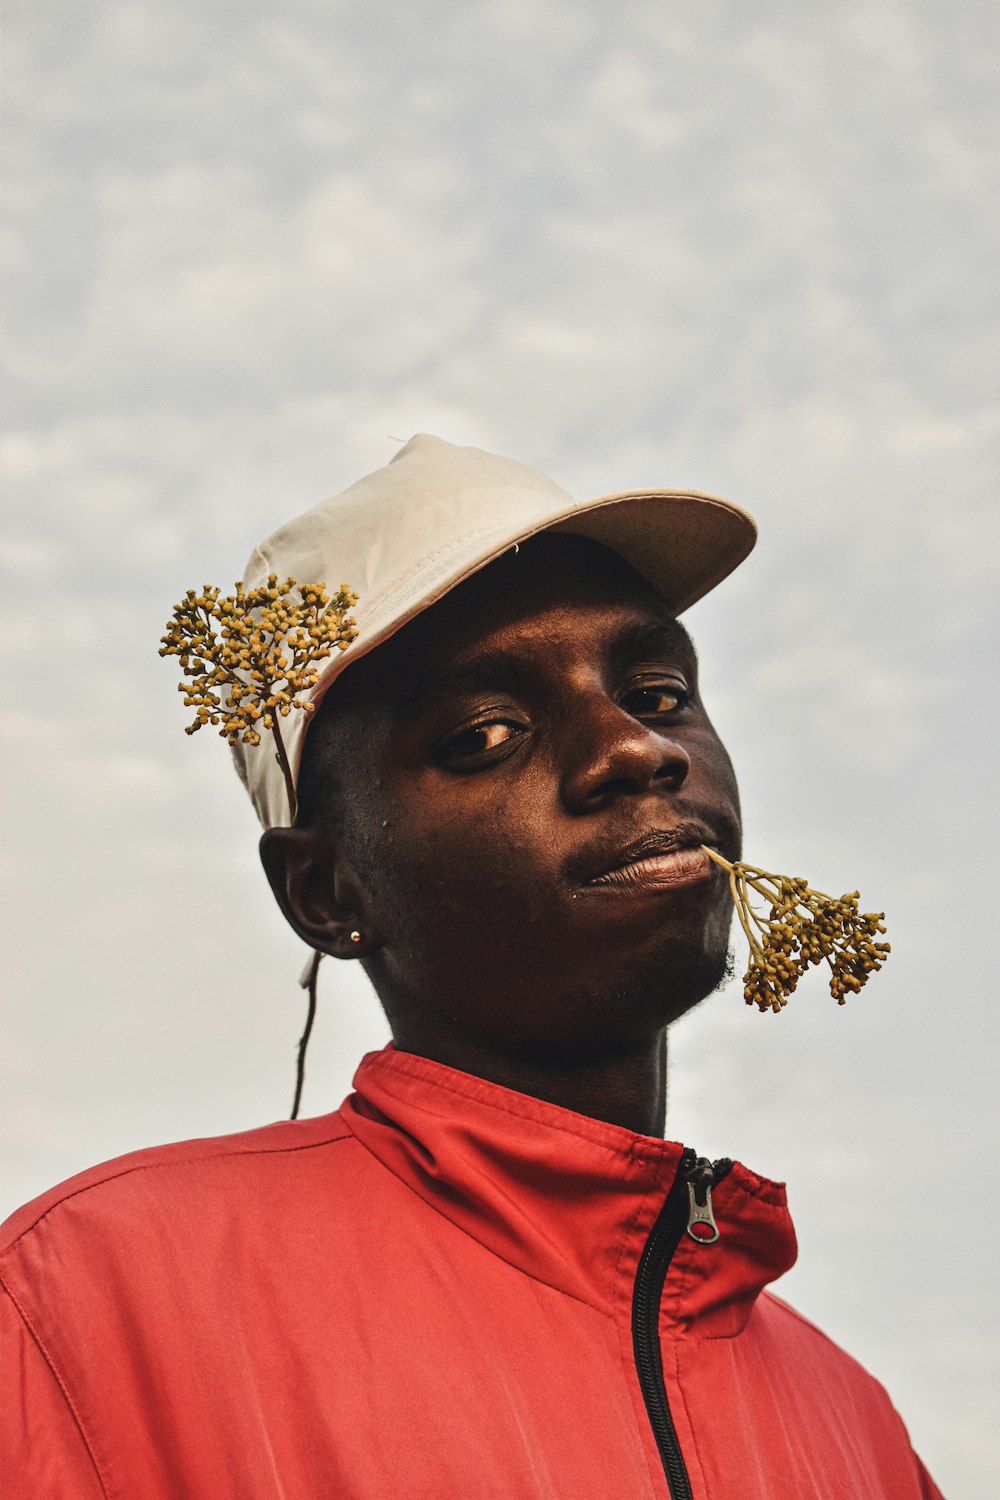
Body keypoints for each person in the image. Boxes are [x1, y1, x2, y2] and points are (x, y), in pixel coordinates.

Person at [1, 436, 942, 1498]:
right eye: (486, 734)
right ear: (325, 893)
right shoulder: (82, 1302)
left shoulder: (854, 1426)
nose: (636, 748)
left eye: (658, 690)